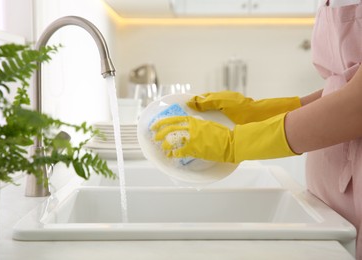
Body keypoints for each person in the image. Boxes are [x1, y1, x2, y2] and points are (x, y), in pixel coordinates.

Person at [151, 0, 362, 258]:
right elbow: (343, 85)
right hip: (333, 206)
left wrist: (234, 142)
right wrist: (261, 112)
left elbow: (356, 105)